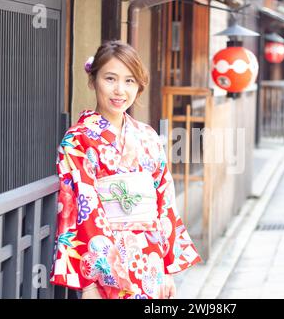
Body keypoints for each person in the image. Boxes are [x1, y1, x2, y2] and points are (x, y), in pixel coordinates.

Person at [49, 40, 202, 299]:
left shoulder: (148, 136)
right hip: (105, 267)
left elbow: (164, 202)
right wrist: (89, 284)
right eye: (110, 78)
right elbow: (79, 207)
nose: (120, 90)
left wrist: (167, 270)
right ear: (93, 79)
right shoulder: (78, 140)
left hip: (150, 261)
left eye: (129, 81)